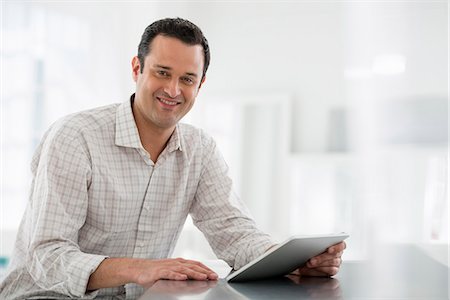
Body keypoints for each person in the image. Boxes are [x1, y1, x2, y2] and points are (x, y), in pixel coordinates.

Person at [0, 18, 346, 299]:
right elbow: (47, 256)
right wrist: (143, 268)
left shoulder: (200, 149)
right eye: (162, 73)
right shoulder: (75, 137)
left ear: (201, 84)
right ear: (137, 68)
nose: (173, 90)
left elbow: (233, 232)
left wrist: (291, 261)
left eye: (187, 79)